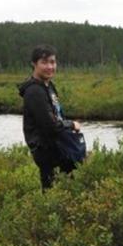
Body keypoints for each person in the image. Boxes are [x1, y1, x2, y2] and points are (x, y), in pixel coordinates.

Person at [19, 44, 82, 190]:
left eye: (52, 62)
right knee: (52, 191)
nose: (50, 67)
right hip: (46, 150)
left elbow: (57, 114)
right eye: (44, 62)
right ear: (34, 64)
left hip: (57, 146)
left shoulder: (48, 86)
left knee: (68, 188)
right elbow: (50, 125)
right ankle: (48, 211)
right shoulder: (34, 91)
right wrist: (72, 125)